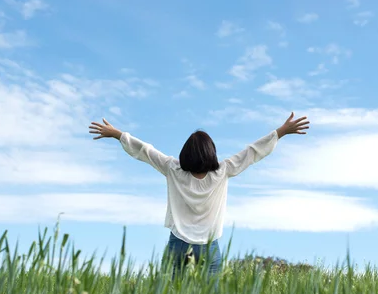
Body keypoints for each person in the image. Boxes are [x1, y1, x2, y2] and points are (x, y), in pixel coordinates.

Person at [88, 112, 309, 277]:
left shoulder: (173, 169)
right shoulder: (222, 172)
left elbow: (145, 150)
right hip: (209, 246)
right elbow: (252, 152)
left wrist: (117, 134)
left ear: (185, 153)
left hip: (178, 244)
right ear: (211, 153)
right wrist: (280, 132)